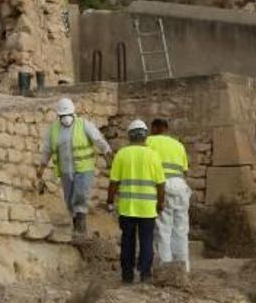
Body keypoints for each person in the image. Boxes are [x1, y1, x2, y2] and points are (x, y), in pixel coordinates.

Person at [37, 98, 112, 237]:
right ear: (58, 116)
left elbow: (98, 139)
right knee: (69, 199)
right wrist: (42, 167)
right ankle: (75, 225)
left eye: (68, 115)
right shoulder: (53, 129)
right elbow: (47, 149)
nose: (65, 118)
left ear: (73, 113)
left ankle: (81, 228)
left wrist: (107, 152)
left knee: (80, 195)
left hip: (84, 168)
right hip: (66, 170)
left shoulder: (83, 125)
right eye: (62, 116)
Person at [107, 119, 166, 284]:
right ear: (145, 136)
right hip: (147, 209)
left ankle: (127, 275)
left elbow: (113, 182)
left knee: (127, 241)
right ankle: (145, 274)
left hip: (127, 208)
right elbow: (161, 184)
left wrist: (110, 202)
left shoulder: (121, 154)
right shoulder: (153, 155)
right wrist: (160, 203)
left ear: (129, 136)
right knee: (146, 241)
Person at [147, 118, 191, 272]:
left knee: (162, 230)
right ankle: (183, 268)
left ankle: (166, 269)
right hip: (180, 187)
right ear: (166, 129)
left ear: (155, 128)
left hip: (162, 186)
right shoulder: (179, 145)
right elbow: (185, 171)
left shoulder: (149, 142)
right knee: (180, 229)